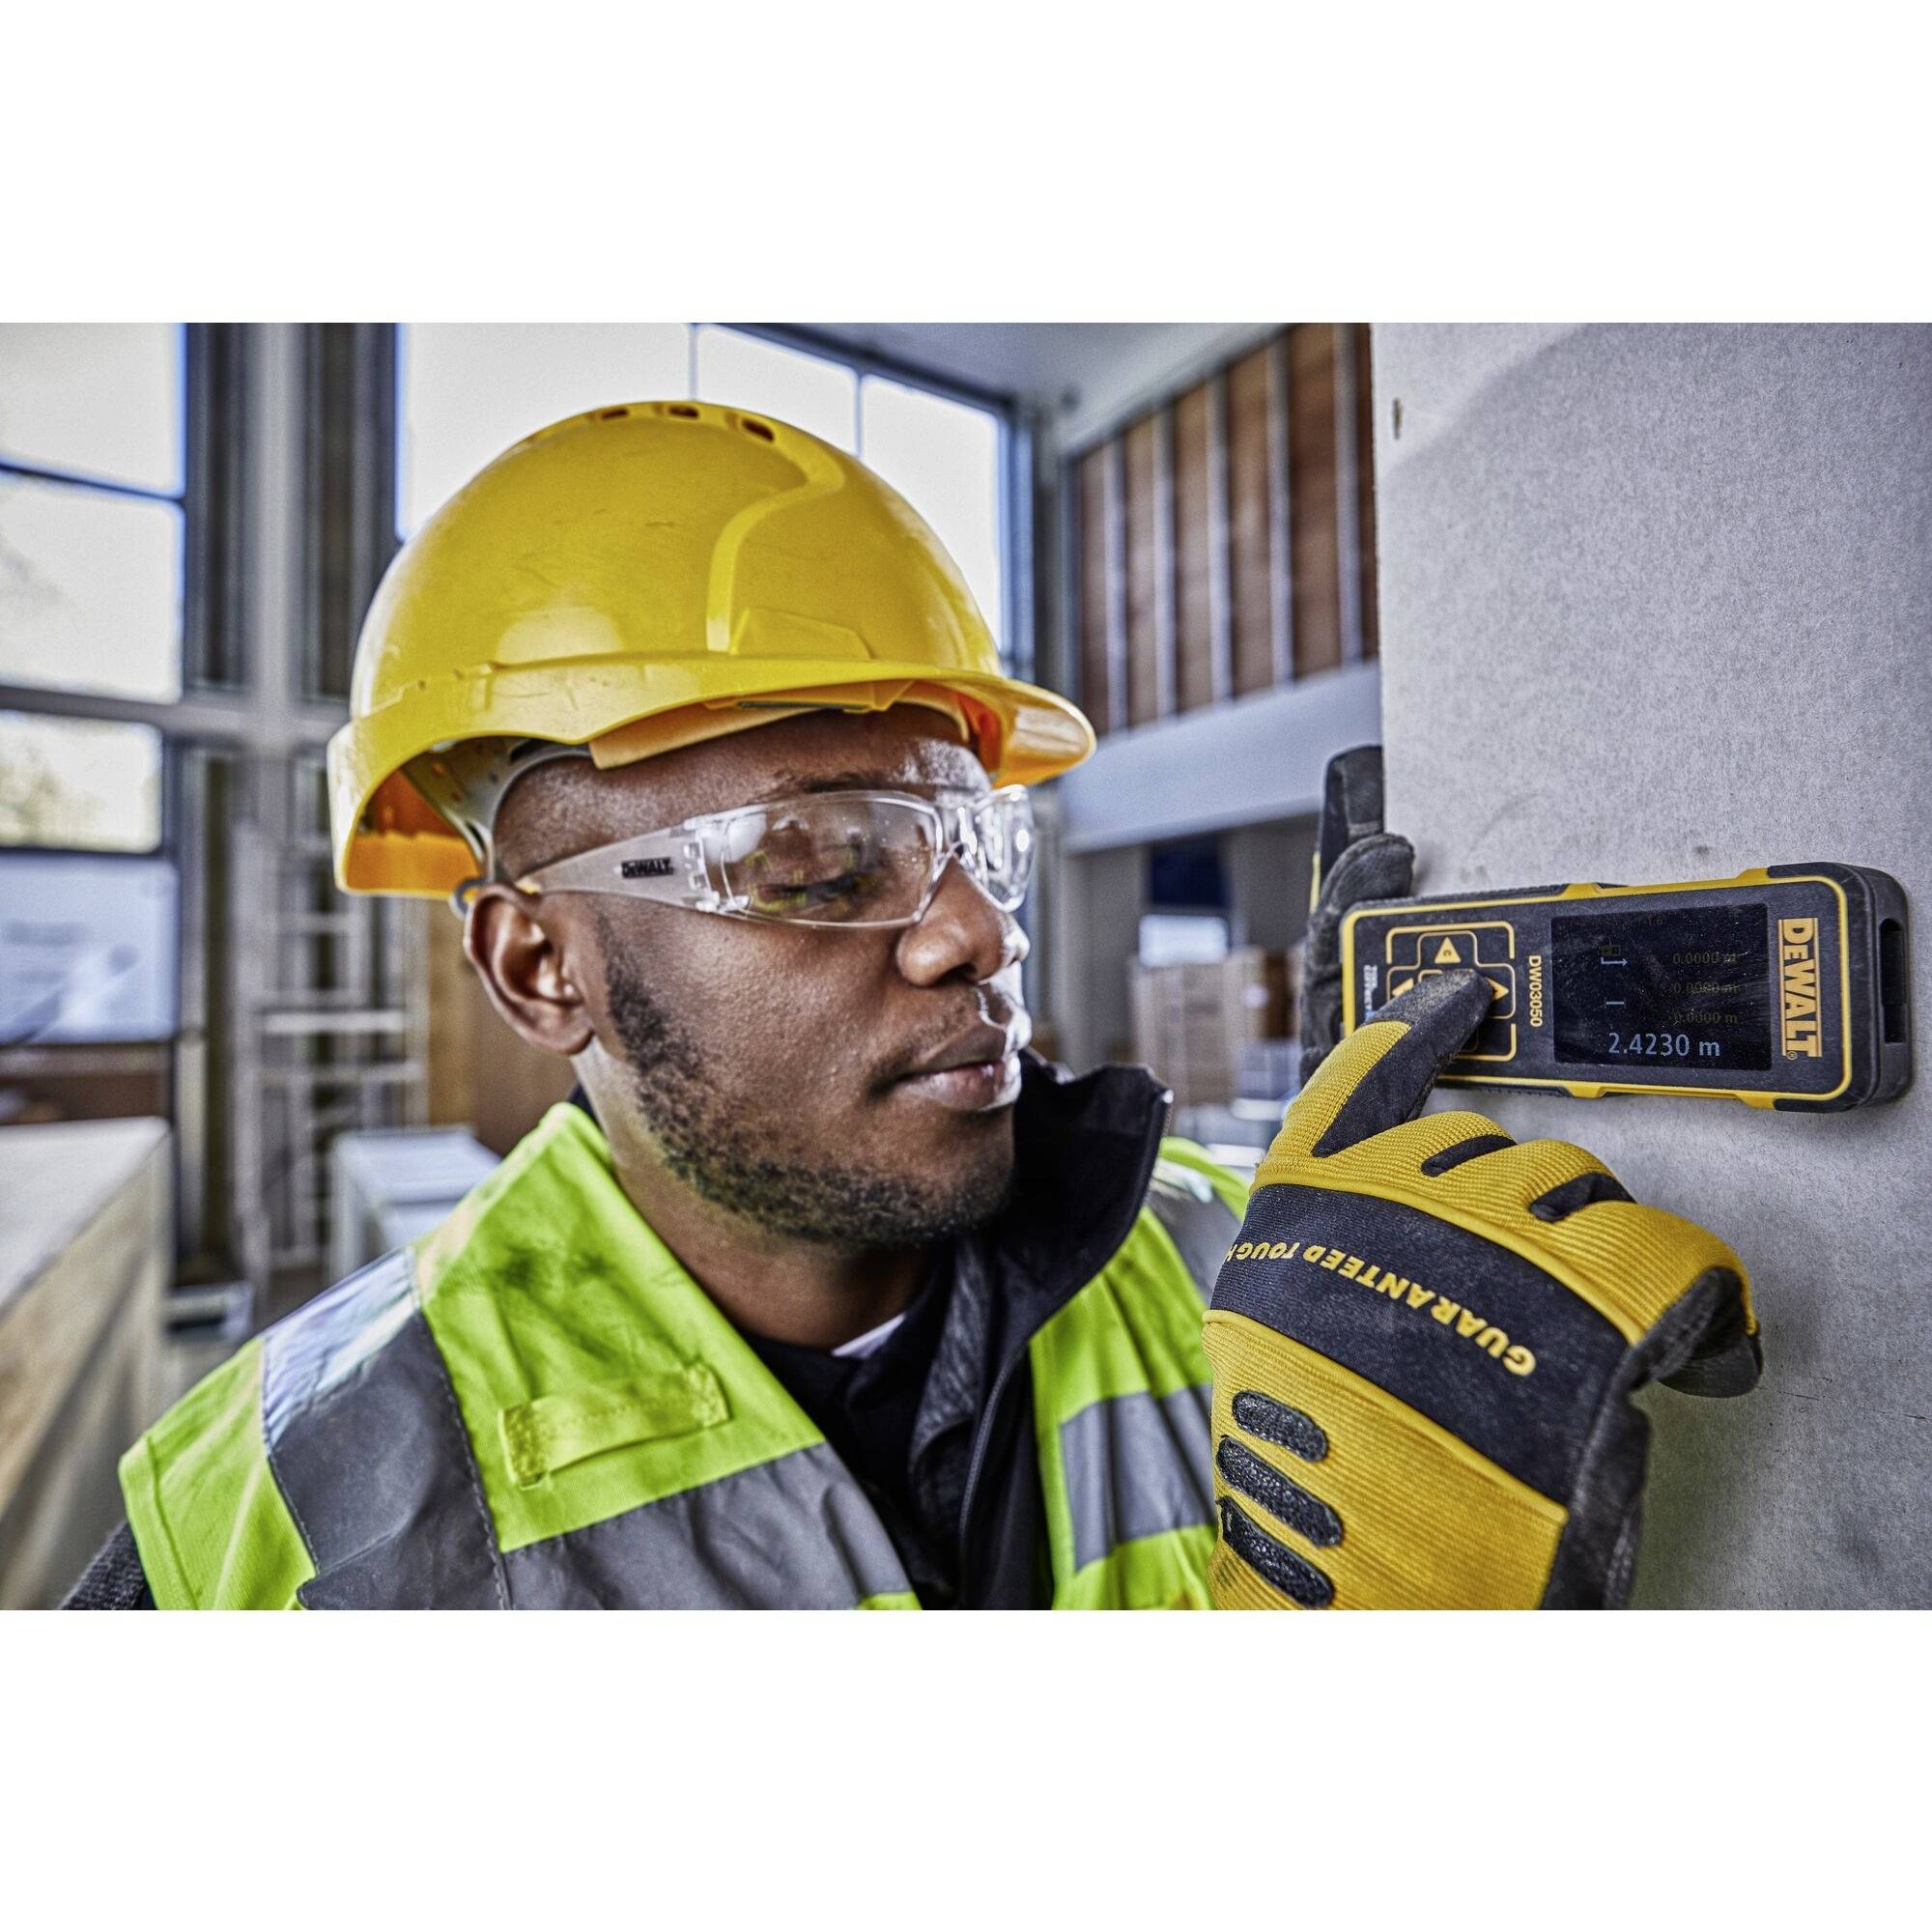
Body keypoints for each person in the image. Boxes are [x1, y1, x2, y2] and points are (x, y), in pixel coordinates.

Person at [67, 401, 1758, 1610]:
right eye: (812, 862)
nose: (968, 932)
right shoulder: (275, 1533)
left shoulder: (1306, 1285)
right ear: (539, 965)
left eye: (976, 842)